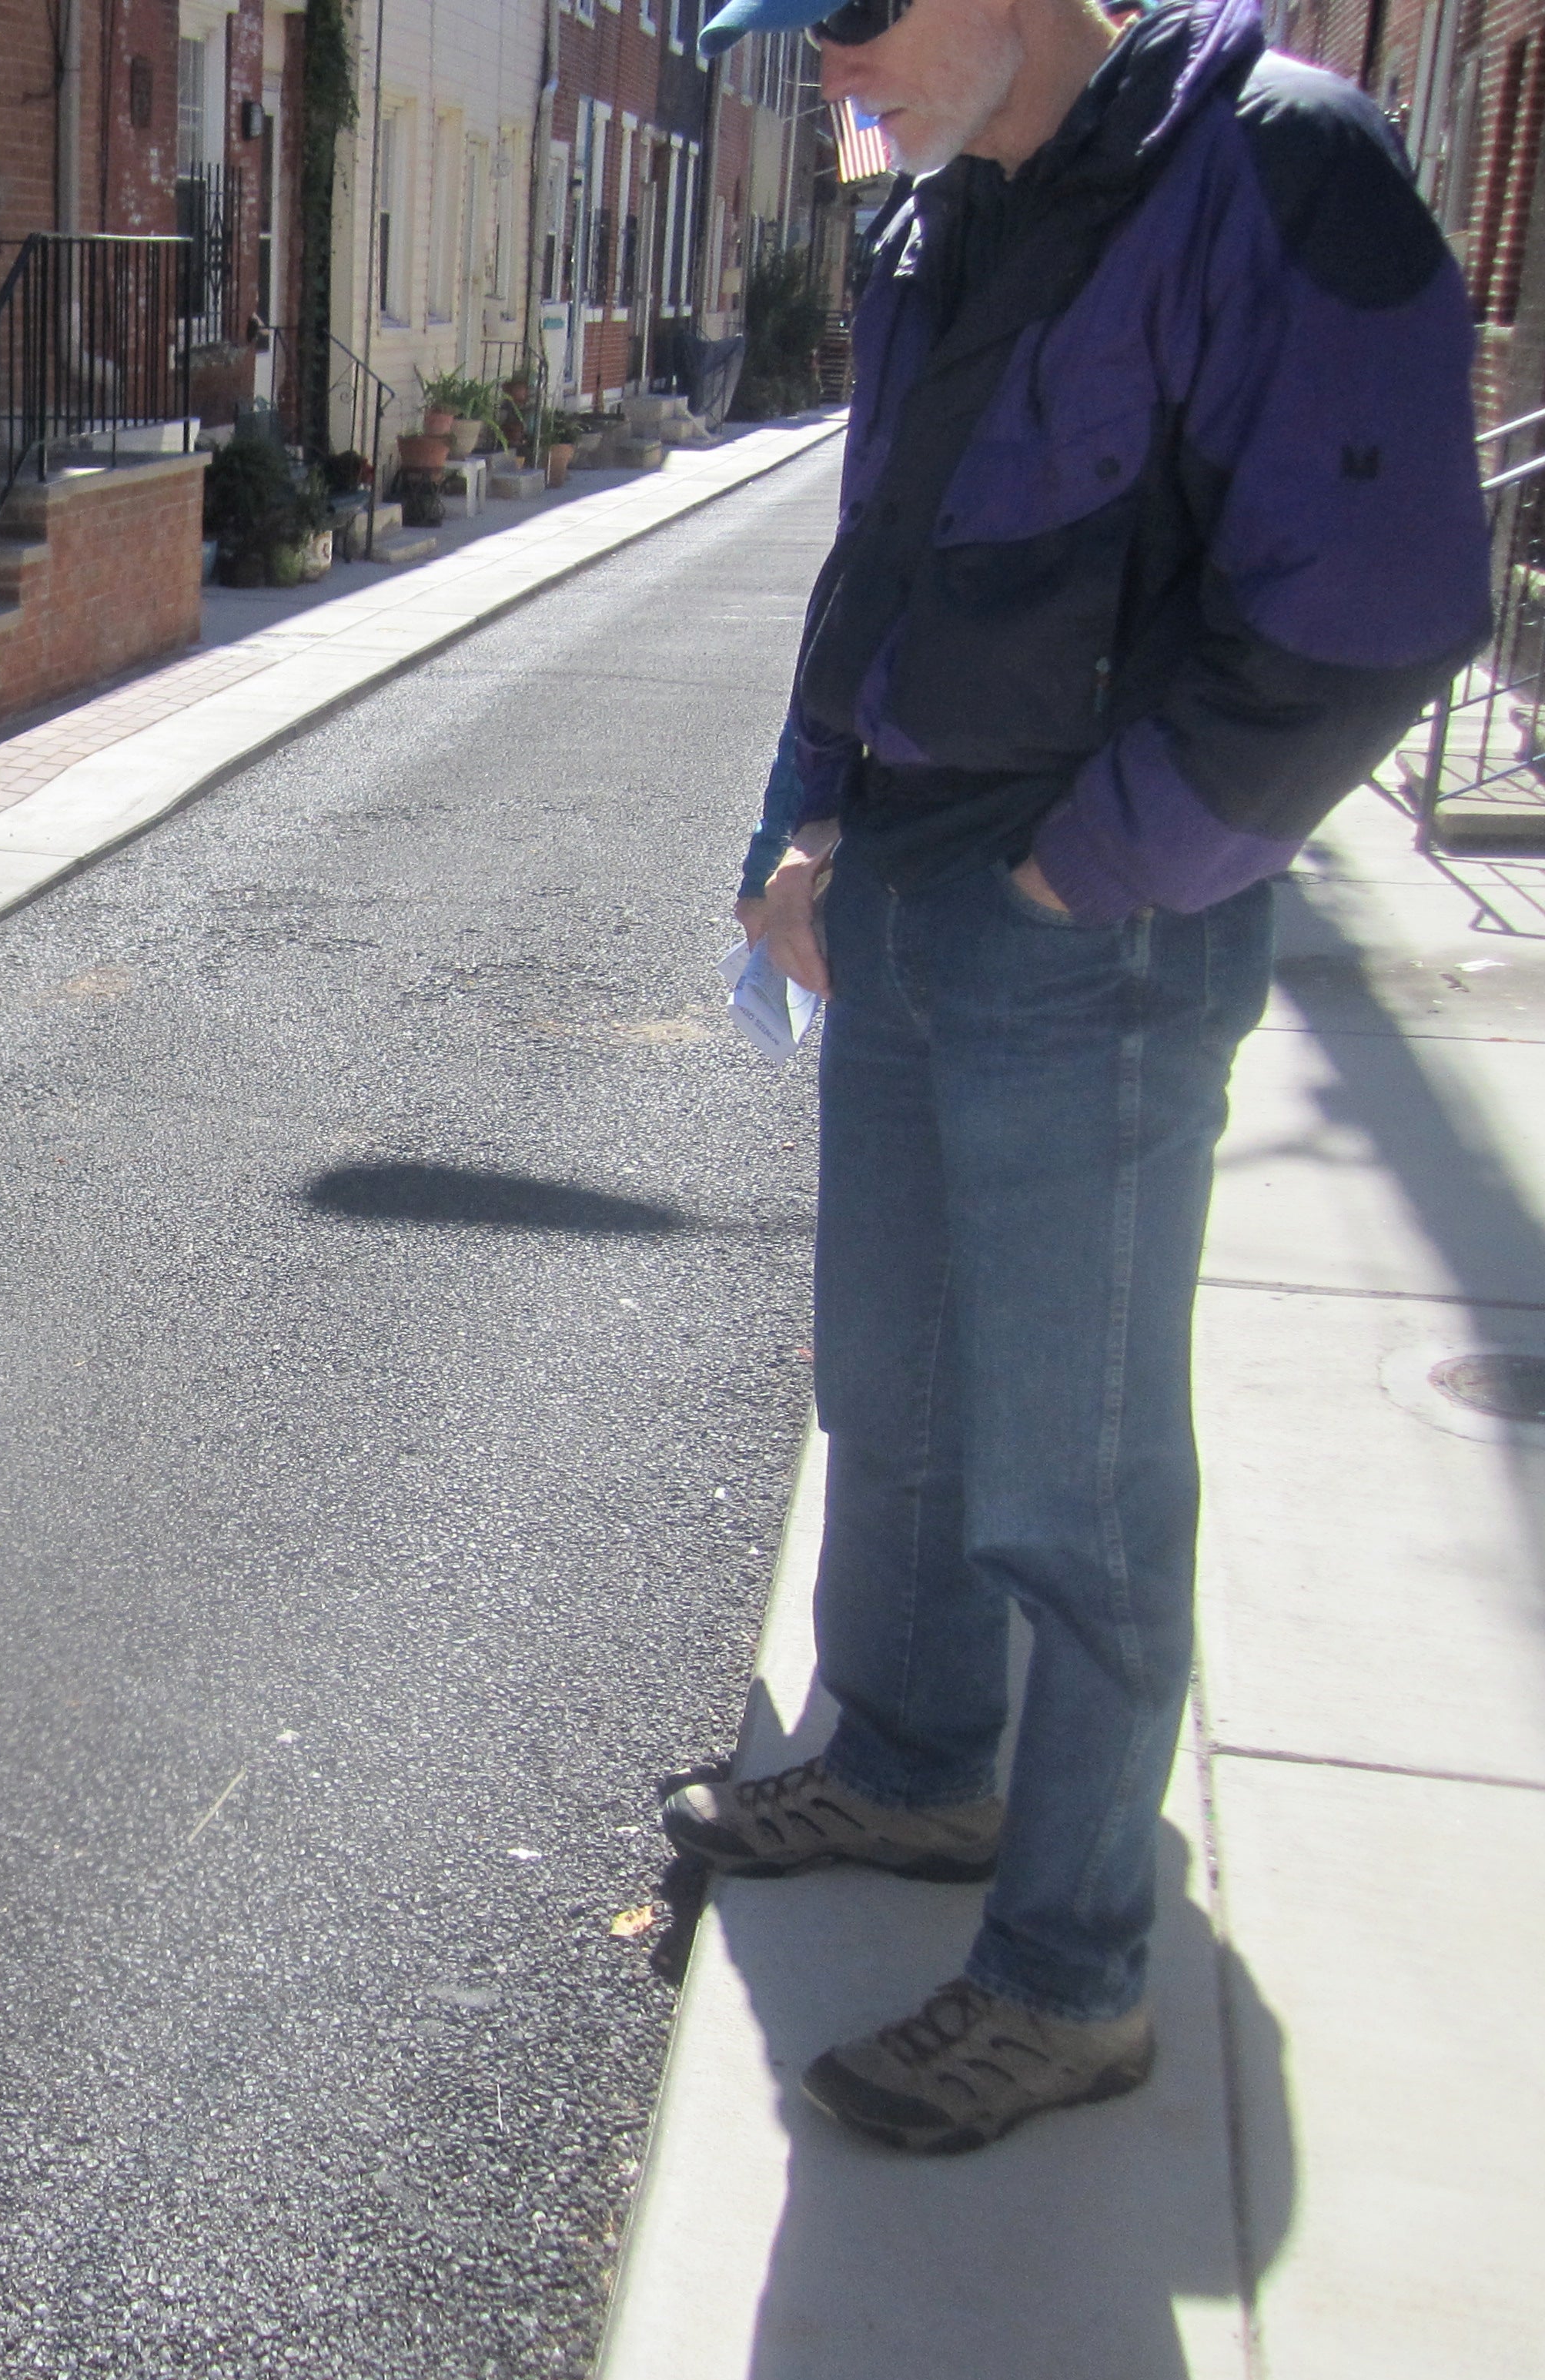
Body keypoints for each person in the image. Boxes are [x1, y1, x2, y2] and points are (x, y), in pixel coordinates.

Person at [673, 0, 1486, 2151]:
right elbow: (883, 560)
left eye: (854, 18)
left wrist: (1080, 870)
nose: (825, 67)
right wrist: (816, 816)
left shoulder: (1279, 166)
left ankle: (1073, 1974)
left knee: (1076, 1471)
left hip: (1094, 916)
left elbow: (1382, 606)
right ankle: (919, 1764)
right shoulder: (939, 224)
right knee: (896, 1387)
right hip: (914, 877)